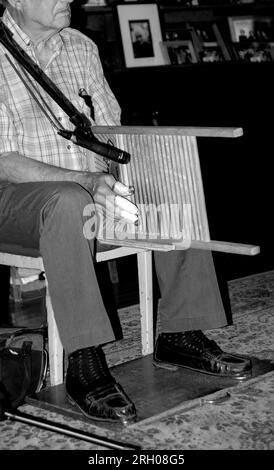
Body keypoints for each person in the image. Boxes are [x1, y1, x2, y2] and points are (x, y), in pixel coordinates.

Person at [0, 0, 251, 425]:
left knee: (173, 177)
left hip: (85, 192)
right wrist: (86, 183)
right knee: (67, 200)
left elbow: (112, 127)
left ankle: (180, 330)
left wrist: (154, 165)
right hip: (16, 199)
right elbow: (3, 160)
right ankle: (84, 358)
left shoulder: (80, 47)